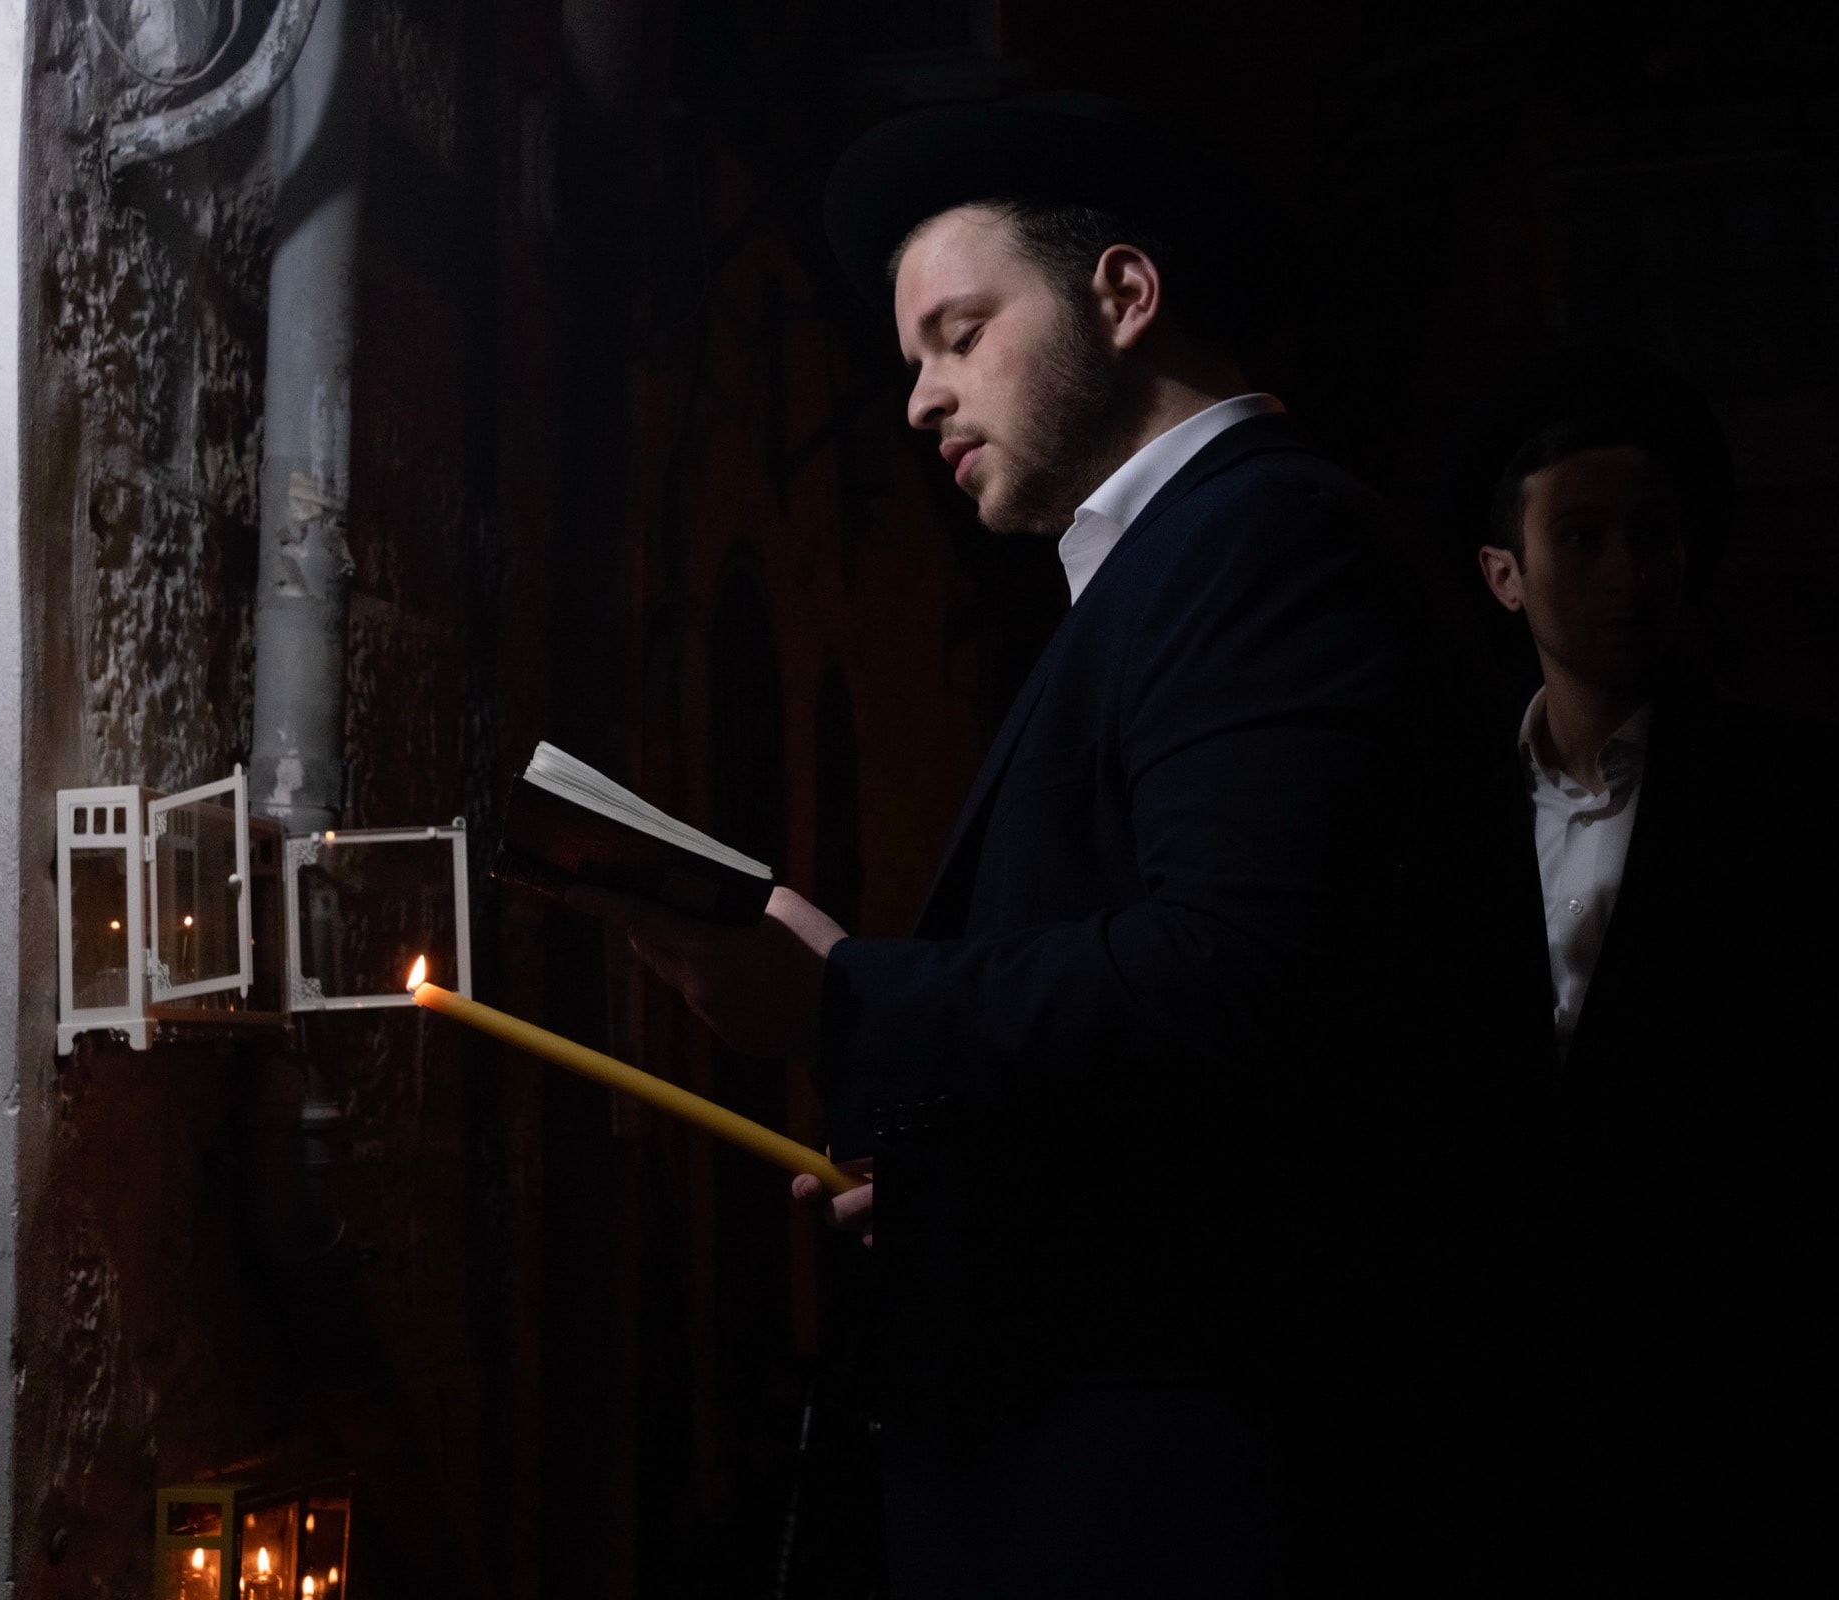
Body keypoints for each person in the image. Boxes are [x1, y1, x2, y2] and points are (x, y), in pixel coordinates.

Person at [573, 94, 1440, 1597]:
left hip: (1195, 1502)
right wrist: (967, 1184)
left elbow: (1244, 983)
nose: (919, 401)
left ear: (1123, 295)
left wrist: (846, 997)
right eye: (915, 359)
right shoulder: (1159, 572)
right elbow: (1208, 1108)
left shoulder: (1262, 542)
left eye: (959, 337)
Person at [1448, 346, 1839, 1589]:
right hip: (1498, 1432)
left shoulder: (1812, 792)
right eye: (1585, 536)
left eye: (1653, 535)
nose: (1627, 572)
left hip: (1746, 1418)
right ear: (1506, 574)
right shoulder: (1433, 814)